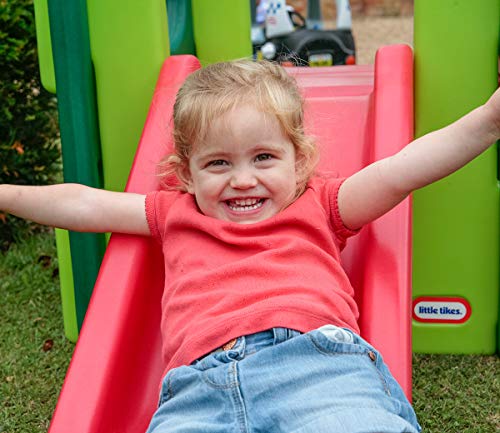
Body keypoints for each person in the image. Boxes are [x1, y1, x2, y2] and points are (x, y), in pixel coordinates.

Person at [2, 59, 500, 432]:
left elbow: (401, 171)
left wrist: (488, 121)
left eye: (264, 157)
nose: (243, 180)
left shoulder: (321, 204)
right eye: (218, 164)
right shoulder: (173, 211)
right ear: (187, 174)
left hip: (314, 367)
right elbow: (84, 205)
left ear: (299, 160)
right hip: (196, 391)